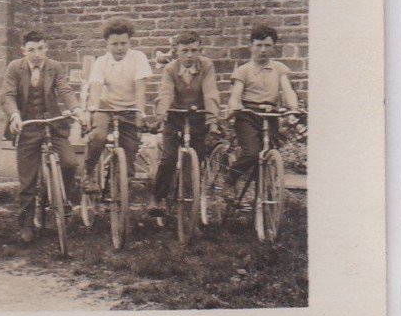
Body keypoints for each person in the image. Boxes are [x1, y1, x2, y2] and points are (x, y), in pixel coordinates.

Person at [2, 30, 86, 243]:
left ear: (46, 49)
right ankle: (27, 223)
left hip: (52, 123)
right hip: (27, 124)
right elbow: (8, 95)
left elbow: (65, 91)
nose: (37, 54)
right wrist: (14, 116)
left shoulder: (54, 67)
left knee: (69, 162)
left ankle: (60, 197)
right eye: (31, 50)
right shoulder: (15, 68)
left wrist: (76, 110)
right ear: (24, 51)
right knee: (27, 179)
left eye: (40, 49)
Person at [148, 30, 221, 215]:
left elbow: (210, 92)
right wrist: (161, 115)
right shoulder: (170, 69)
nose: (189, 55)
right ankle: (158, 197)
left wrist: (212, 122)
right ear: (176, 51)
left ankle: (190, 206)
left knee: (196, 161)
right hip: (175, 116)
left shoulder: (206, 66)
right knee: (169, 158)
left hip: (197, 117)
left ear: (200, 50)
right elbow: (165, 93)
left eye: (194, 50)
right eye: (185, 50)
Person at [82, 17, 153, 193]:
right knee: (98, 137)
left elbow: (140, 90)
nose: (120, 48)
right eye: (115, 44)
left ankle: (123, 186)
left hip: (129, 108)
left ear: (130, 42)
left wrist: (140, 114)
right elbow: (96, 90)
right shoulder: (101, 62)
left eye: (123, 43)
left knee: (131, 147)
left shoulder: (138, 58)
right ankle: (88, 173)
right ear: (107, 44)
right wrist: (92, 111)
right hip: (106, 107)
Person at [226, 24, 300, 184]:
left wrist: (293, 110)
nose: (263, 50)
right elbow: (235, 95)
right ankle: (230, 178)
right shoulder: (243, 71)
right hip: (248, 116)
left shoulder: (279, 69)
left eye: (267, 46)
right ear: (251, 47)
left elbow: (288, 91)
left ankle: (261, 200)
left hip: (270, 115)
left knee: (270, 156)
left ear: (274, 47)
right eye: (259, 45)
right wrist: (234, 106)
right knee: (252, 154)